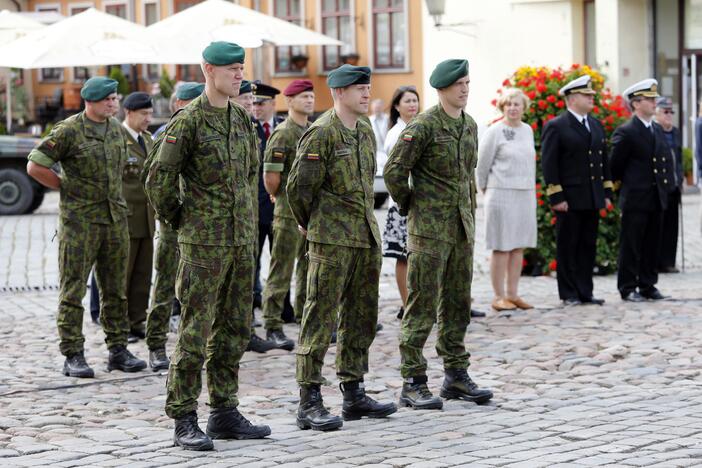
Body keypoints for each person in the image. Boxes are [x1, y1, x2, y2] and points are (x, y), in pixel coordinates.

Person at [144, 42, 271, 451]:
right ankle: (183, 416)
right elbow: (158, 182)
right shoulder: (189, 122)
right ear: (207, 70)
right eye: (231, 69)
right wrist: (184, 221)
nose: (239, 76)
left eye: (241, 69)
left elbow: (251, 177)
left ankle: (223, 411)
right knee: (195, 330)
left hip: (241, 242)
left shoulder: (241, 119)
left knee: (235, 328)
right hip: (203, 245)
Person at [287, 64, 397, 431]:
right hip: (330, 240)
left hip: (364, 237)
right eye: (359, 89)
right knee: (319, 316)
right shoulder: (321, 134)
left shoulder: (364, 129)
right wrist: (311, 224)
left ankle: (353, 391)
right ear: (338, 93)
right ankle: (309, 399)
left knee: (361, 317)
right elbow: (298, 190)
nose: (367, 94)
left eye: (368, 88)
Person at [384, 59, 493, 410]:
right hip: (429, 231)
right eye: (459, 83)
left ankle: (456, 374)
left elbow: (468, 177)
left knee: (458, 302)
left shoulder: (470, 125)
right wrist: (411, 205)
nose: (465, 89)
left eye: (467, 82)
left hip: (461, 228)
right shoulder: (424, 126)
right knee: (422, 304)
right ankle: (413, 380)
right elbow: (395, 171)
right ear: (442, 88)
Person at [26, 76, 147, 378]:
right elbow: (36, 165)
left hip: (115, 221)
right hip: (80, 223)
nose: (113, 103)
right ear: (90, 101)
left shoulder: (117, 131)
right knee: (73, 291)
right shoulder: (69, 131)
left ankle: (118, 350)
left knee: (115, 291)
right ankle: (73, 354)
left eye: (115, 98)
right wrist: (65, 188)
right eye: (107, 99)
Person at [144, 82, 204, 371]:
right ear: (180, 103)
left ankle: (193, 346)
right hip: (173, 224)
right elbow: (153, 181)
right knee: (165, 284)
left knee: (196, 290)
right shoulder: (166, 134)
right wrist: (173, 215)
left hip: (200, 226)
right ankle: (156, 344)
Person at [541, 75, 612, 307]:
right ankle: (569, 292)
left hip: (591, 196)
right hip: (569, 198)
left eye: (592, 95)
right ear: (572, 99)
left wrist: (607, 193)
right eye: (586, 95)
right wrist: (557, 196)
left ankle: (585, 291)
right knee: (568, 246)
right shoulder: (557, 126)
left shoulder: (595, 124)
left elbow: (604, 162)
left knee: (587, 246)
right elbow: (549, 165)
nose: (592, 98)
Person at [261, 79, 315, 351]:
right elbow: (271, 177)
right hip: (287, 212)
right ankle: (272, 324)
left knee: (308, 267)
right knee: (281, 269)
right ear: (290, 101)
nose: (309, 100)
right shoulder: (283, 133)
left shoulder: (312, 130)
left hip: (309, 211)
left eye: (311, 96)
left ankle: (305, 316)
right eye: (303, 96)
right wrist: (277, 195)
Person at [610, 79, 674, 302]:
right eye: (649, 99)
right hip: (636, 198)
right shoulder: (626, 131)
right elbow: (614, 166)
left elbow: (663, 160)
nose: (654, 102)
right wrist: (620, 192)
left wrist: (667, 187)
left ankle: (648, 284)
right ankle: (627, 287)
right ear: (636, 104)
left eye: (654, 98)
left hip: (656, 197)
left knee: (651, 244)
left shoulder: (655, 129)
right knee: (631, 245)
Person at [477, 88, 536, 311]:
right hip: (500, 193)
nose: (512, 108)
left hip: (524, 194)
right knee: (501, 246)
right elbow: (482, 165)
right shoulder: (495, 131)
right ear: (503, 107)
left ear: (523, 107)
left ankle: (513, 294)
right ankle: (498, 295)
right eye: (508, 104)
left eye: (516, 104)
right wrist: (485, 188)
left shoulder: (527, 130)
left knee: (518, 246)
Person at [239, 80, 280, 354]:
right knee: (251, 266)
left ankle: (282, 309)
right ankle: (250, 317)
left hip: (280, 209)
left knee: (280, 264)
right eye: (253, 103)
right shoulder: (247, 128)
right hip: (254, 208)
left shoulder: (283, 127)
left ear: (273, 104)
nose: (256, 108)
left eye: (261, 103)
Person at [381, 86, 420, 319]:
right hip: (402, 201)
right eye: (407, 101)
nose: (412, 105)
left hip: (419, 201)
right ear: (397, 106)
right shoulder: (397, 133)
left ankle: (416, 302)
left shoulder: (418, 127)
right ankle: (406, 304)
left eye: (415, 101)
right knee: (403, 256)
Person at [654, 97, 683, 273]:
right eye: (665, 112)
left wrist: (680, 179)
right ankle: (656, 261)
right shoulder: (655, 132)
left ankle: (668, 261)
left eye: (671, 112)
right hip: (660, 186)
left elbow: (678, 159)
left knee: (672, 226)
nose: (669, 115)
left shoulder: (676, 132)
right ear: (656, 113)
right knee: (659, 225)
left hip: (674, 185)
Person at [370, 98, 389, 169]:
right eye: (375, 107)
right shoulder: (369, 120)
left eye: (378, 107)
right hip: (375, 153)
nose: (376, 109)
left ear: (383, 107)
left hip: (386, 153)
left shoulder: (388, 119)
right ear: (371, 108)